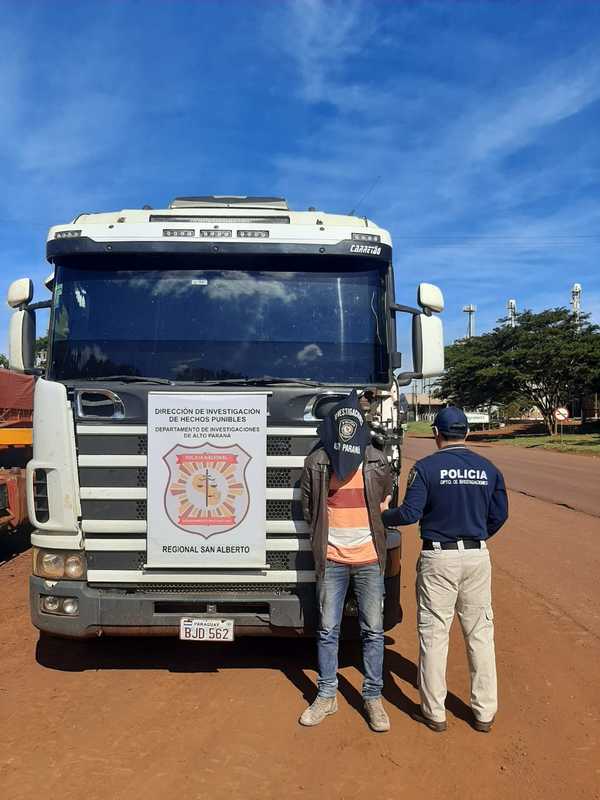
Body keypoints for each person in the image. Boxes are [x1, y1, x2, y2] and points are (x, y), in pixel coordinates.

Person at [382, 406, 508, 733]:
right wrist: (476, 532)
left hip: (439, 558)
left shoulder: (426, 468)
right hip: (477, 556)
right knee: (479, 633)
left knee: (434, 634)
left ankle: (434, 712)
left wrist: (382, 515)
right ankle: (484, 712)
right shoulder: (488, 469)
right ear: (466, 432)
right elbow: (500, 515)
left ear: (436, 433)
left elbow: (409, 514)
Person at [299, 389, 393, 732]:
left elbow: (383, 498)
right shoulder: (318, 462)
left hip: (369, 559)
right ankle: (327, 695)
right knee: (327, 630)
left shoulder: (376, 461)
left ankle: (372, 697)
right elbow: (310, 509)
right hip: (332, 559)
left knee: (374, 631)